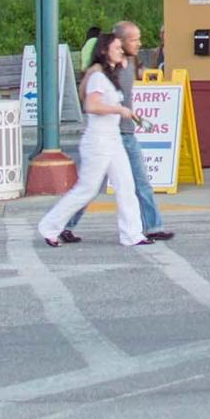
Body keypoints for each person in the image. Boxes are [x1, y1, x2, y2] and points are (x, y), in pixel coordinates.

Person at [57, 20, 174, 245]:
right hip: (109, 135)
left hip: (126, 131)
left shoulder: (130, 62)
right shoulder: (102, 69)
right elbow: (87, 95)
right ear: (118, 41)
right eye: (134, 39)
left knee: (138, 183)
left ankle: (152, 226)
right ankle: (64, 225)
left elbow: (138, 78)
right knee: (90, 186)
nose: (139, 43)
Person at [39, 33, 151, 248]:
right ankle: (50, 227)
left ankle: (132, 234)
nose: (120, 51)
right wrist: (119, 109)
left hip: (112, 138)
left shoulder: (110, 75)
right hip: (98, 141)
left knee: (126, 185)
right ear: (103, 51)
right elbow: (91, 106)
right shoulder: (98, 76)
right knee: (87, 189)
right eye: (116, 48)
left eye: (121, 48)